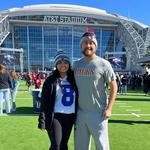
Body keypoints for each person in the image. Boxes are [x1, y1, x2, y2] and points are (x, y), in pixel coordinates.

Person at [73, 31, 118, 150]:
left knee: (102, 146)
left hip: (99, 113)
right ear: (81, 46)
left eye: (91, 43)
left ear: (95, 46)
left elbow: (114, 86)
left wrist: (109, 108)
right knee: (80, 147)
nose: (88, 45)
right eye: (85, 43)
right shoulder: (76, 65)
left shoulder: (104, 64)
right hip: (80, 114)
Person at [38, 51, 78, 150]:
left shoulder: (75, 78)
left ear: (69, 64)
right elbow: (44, 101)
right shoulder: (50, 80)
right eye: (60, 62)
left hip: (70, 116)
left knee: (64, 145)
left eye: (65, 62)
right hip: (56, 116)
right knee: (56, 145)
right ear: (56, 64)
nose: (63, 65)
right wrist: (42, 120)